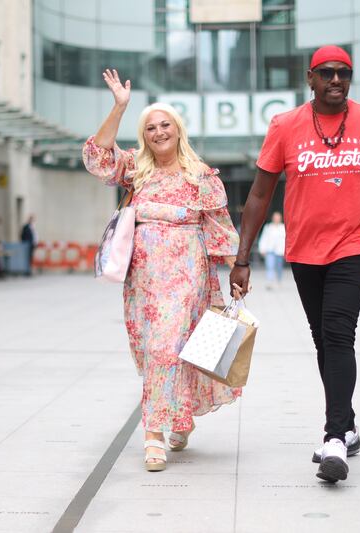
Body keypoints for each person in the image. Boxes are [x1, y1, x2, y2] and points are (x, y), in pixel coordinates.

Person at [230, 45, 360, 483]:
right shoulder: (285, 126)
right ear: (310, 78)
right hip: (304, 251)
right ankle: (347, 423)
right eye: (326, 73)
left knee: (338, 333)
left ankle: (333, 439)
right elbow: (258, 194)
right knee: (323, 342)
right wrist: (242, 258)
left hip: (353, 246)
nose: (336, 80)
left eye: (344, 73)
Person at [82, 69, 240, 472]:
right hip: (144, 281)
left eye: (165, 124)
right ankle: (178, 420)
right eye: (150, 127)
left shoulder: (200, 175)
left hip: (189, 277)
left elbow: (221, 227)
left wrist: (239, 269)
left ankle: (154, 434)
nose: (158, 132)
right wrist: (119, 107)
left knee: (168, 349)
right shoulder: (136, 168)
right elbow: (97, 157)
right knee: (159, 351)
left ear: (178, 129)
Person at [257, 211, 286, 289]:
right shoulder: (268, 227)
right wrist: (262, 249)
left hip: (280, 251)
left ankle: (279, 280)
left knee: (279, 267)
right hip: (270, 250)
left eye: (278, 218)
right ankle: (270, 282)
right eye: (275, 217)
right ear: (273, 218)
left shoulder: (283, 228)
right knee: (270, 266)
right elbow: (264, 238)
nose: (276, 219)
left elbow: (286, 240)